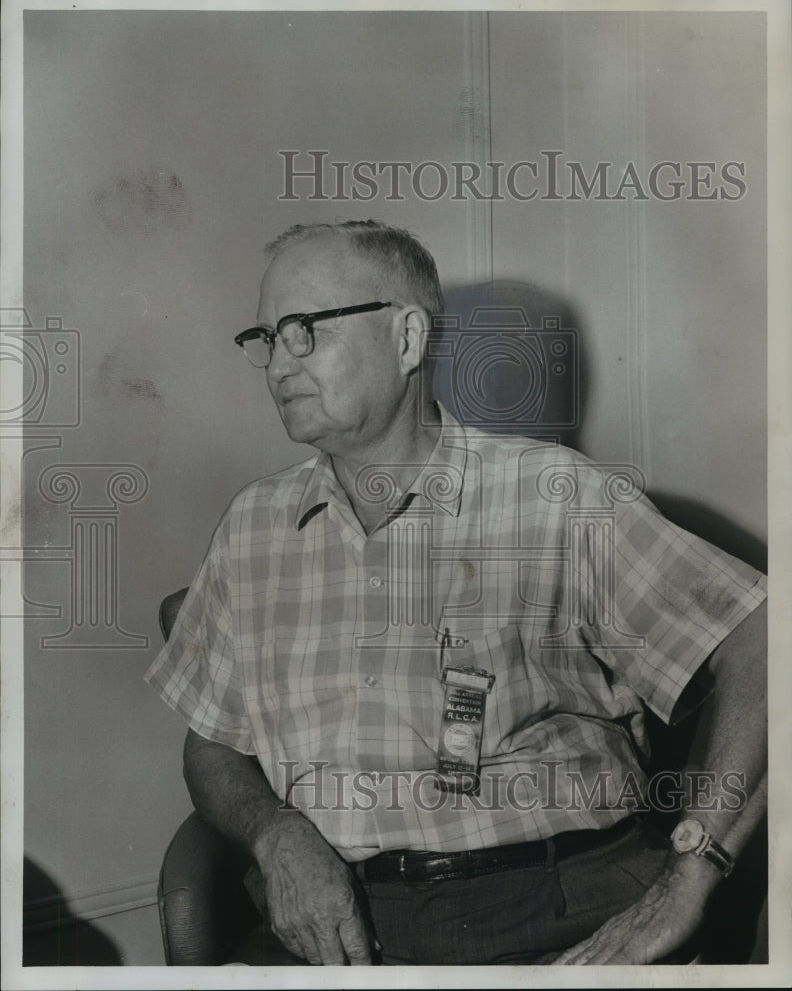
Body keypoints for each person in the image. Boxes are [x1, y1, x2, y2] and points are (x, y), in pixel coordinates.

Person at [145, 219, 767, 967]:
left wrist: (690, 879)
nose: (279, 362)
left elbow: (765, 645)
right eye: (268, 336)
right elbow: (211, 748)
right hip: (338, 934)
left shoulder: (554, 498)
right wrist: (276, 834)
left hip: (563, 916)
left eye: (305, 329)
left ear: (408, 339)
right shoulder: (252, 528)